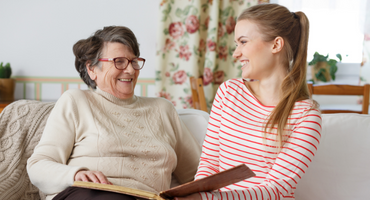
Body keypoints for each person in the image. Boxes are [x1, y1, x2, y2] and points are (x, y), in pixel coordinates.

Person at [27, 26, 201, 200]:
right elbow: (38, 166)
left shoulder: (163, 109)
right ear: (92, 69)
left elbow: (199, 175)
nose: (131, 70)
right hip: (87, 194)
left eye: (134, 61)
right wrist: (75, 174)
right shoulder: (76, 101)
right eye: (119, 61)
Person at [175, 3, 322, 200]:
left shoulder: (306, 116)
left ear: (276, 45)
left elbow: (275, 190)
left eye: (243, 42)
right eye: (237, 44)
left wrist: (207, 199)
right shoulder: (229, 92)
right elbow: (209, 164)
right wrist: (196, 194)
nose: (236, 53)